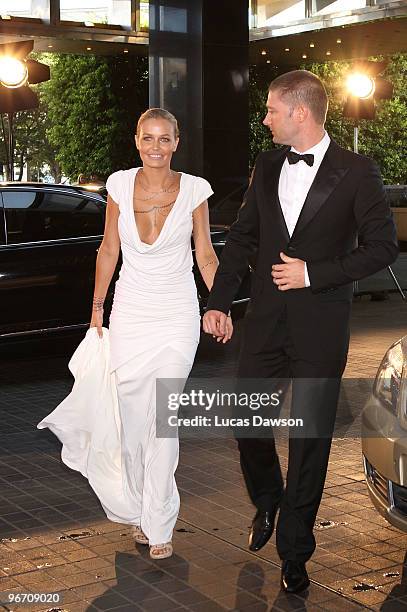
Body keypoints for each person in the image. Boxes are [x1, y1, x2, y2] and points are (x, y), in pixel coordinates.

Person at [203, 70, 398, 593]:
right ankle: (268, 499)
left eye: (270, 109)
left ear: (300, 113)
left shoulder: (357, 171)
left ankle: (295, 553)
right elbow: (243, 240)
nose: (264, 118)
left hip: (320, 326)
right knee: (246, 422)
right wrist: (220, 302)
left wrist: (313, 273)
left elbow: (382, 248)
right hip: (265, 322)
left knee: (309, 444)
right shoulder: (266, 165)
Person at [39, 108, 232, 560]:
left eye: (165, 139)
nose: (156, 147)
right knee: (132, 421)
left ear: (176, 142)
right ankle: (140, 507)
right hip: (130, 312)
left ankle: (159, 523)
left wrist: (219, 302)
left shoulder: (195, 191)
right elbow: (109, 248)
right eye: (149, 138)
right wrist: (96, 310)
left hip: (176, 314)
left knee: (163, 418)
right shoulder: (119, 186)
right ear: (137, 140)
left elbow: (205, 255)